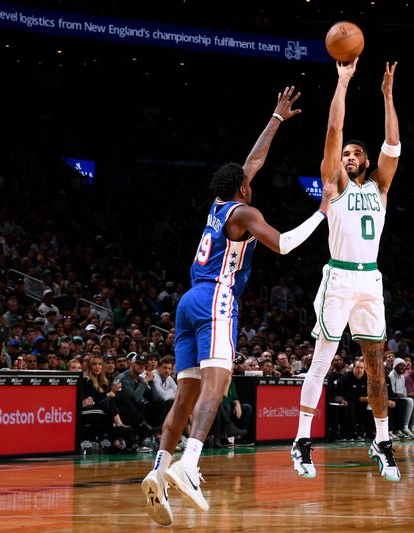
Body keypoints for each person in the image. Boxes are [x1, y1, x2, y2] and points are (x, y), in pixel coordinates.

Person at [142, 86, 331, 523]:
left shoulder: (220, 203)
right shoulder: (244, 213)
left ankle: (158, 470)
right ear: (244, 189)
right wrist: (321, 212)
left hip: (188, 301)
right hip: (216, 298)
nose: (252, 179)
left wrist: (276, 119)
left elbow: (252, 161)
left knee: (186, 395)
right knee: (218, 383)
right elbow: (283, 244)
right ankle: (189, 463)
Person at [292, 58, 401, 482]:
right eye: (346, 155)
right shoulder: (334, 185)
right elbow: (334, 130)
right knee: (321, 361)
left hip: (370, 280)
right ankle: (302, 440)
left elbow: (393, 143)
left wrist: (387, 96)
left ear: (367, 161)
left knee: (376, 367)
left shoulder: (380, 187)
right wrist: (343, 82)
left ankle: (382, 441)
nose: (349, 157)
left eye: (356, 154)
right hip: (338, 277)